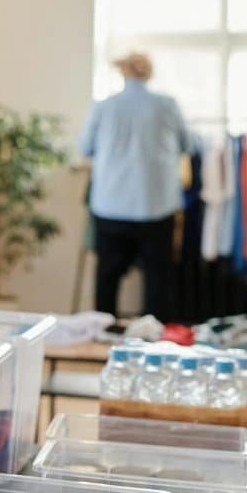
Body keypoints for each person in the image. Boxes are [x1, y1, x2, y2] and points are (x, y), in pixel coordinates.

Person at [79, 51, 192, 320]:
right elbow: (186, 145)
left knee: (107, 277)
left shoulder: (104, 107)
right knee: (157, 280)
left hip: (110, 204)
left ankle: (102, 337)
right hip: (155, 206)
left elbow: (85, 147)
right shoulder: (167, 105)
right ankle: (157, 344)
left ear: (123, 72)